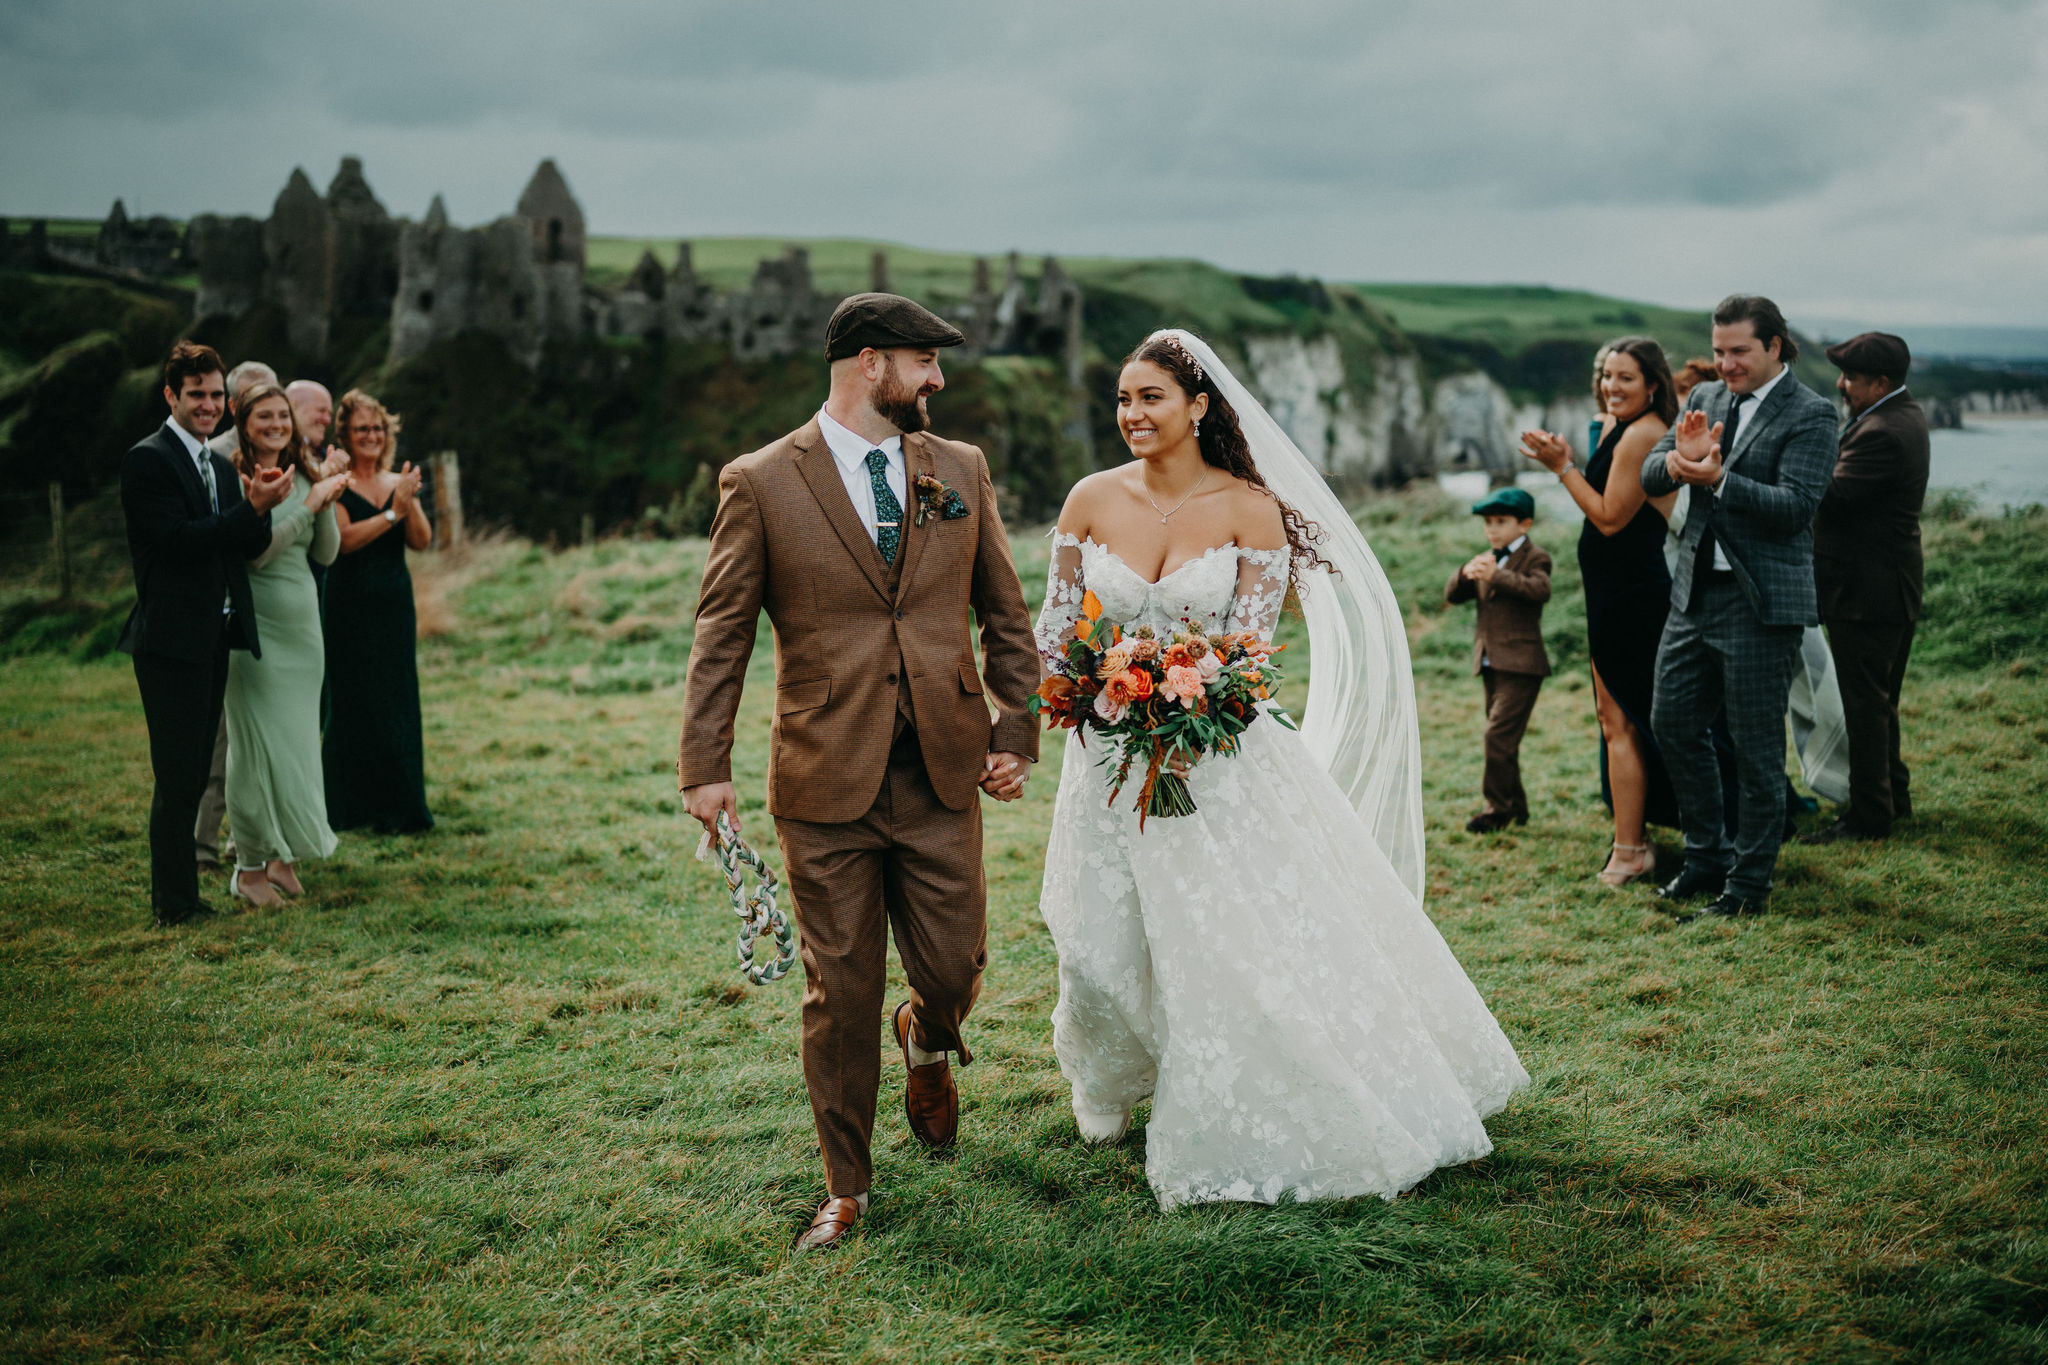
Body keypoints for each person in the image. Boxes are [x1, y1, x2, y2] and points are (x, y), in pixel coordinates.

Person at [1035, 330, 1528, 1211]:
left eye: (1150, 397)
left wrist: (1191, 708)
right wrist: (1090, 686)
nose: (1132, 415)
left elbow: (1251, 649)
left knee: (1219, 931)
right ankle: (1114, 1078)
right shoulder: (1088, 498)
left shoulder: (1246, 509)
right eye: (1121, 399)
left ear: (1197, 406)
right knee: (1099, 931)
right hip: (1106, 751)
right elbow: (1057, 626)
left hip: (1216, 757)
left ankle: (1241, 1081)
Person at [677, 294, 1040, 1252]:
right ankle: (847, 1186)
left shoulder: (958, 469)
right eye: (926, 363)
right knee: (839, 990)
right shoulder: (759, 482)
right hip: (824, 777)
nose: (939, 381)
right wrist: (702, 766)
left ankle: (926, 1036)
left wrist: (1015, 729)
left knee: (956, 963)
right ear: (871, 363)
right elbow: (721, 632)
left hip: (940, 768)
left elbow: (1006, 612)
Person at [1639, 296, 1837, 920]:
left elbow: (1797, 507)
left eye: (1739, 352)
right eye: (1719, 350)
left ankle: (1748, 885)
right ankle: (1705, 858)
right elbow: (1649, 473)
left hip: (1761, 603)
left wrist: (1720, 480)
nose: (1725, 363)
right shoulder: (1703, 400)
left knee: (1755, 750)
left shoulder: (1813, 414)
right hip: (1693, 593)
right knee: (1671, 723)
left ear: (1776, 346)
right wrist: (1676, 462)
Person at [118, 341, 290, 927]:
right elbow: (179, 541)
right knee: (178, 771)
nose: (209, 405)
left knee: (194, 766)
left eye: (217, 395)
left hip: (214, 634)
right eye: (198, 395)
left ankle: (186, 895)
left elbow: (239, 545)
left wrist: (263, 505)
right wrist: (249, 510)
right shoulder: (149, 460)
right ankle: (174, 903)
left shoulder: (220, 464)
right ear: (172, 395)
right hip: (168, 638)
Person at [1520, 337, 1679, 887]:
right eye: (1607, 375)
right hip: (1611, 591)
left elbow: (1610, 517)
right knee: (1617, 720)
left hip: (1633, 596)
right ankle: (1636, 837)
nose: (1612, 386)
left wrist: (1562, 467)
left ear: (1653, 384)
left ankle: (1632, 849)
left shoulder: (1645, 433)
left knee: (1625, 721)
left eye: (1626, 378)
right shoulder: (1616, 425)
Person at [222, 384, 348, 907]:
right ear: (244, 424)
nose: (275, 424)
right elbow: (255, 555)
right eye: (264, 416)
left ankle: (284, 859)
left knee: (297, 747)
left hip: (303, 632)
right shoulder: (234, 478)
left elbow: (325, 554)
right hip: (254, 630)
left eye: (282, 416)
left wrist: (320, 499)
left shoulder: (301, 474)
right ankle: (248, 869)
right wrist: (310, 504)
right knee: (254, 753)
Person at [1801, 332, 1929, 844]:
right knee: (1880, 701)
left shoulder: (1882, 431)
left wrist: (1798, 462)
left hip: (1866, 592)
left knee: (1864, 706)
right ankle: (1892, 797)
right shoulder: (1903, 415)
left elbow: (1832, 495)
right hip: (1888, 585)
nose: (1842, 384)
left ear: (1880, 381)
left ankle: (1868, 818)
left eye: (1851, 377)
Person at [322, 390, 434, 834]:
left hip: (393, 605)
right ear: (345, 434)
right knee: (350, 697)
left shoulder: (396, 482)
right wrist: (393, 514)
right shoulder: (337, 482)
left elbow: (421, 541)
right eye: (362, 428)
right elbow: (344, 541)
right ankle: (349, 808)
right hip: (347, 603)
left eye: (378, 428)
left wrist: (410, 503)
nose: (371, 435)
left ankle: (401, 805)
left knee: (396, 696)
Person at [195, 358, 282, 873]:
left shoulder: (285, 458)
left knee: (259, 740)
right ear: (234, 408)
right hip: (227, 613)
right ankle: (203, 846)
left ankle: (245, 845)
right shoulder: (217, 458)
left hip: (272, 615)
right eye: (253, 402)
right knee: (222, 741)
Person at [1444, 488, 1552, 834]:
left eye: (1501, 522)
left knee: (1496, 737)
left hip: (1522, 664)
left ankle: (1496, 811)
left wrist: (1496, 576)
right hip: (1490, 663)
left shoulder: (1536, 557)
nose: (1492, 530)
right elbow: (1452, 596)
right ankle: (1517, 808)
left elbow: (1539, 590)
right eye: (1488, 523)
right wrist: (1465, 572)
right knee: (1504, 741)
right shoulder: (1487, 557)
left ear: (1525, 524)